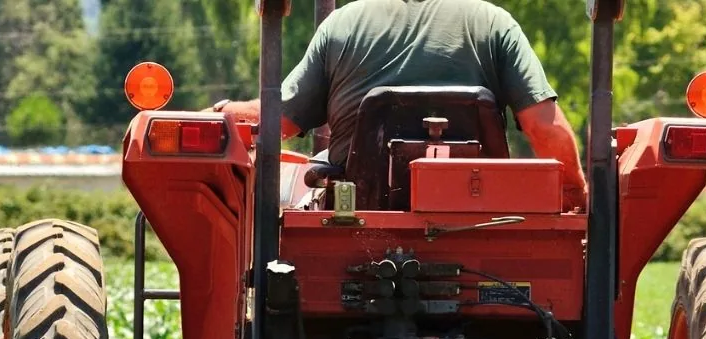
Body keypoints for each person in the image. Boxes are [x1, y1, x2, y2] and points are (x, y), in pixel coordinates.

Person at [214, 0, 587, 203]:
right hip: (475, 212)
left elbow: (277, 121)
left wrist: (223, 113)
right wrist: (575, 192)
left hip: (358, 214)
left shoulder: (342, 25)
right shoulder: (493, 24)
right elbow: (542, 126)